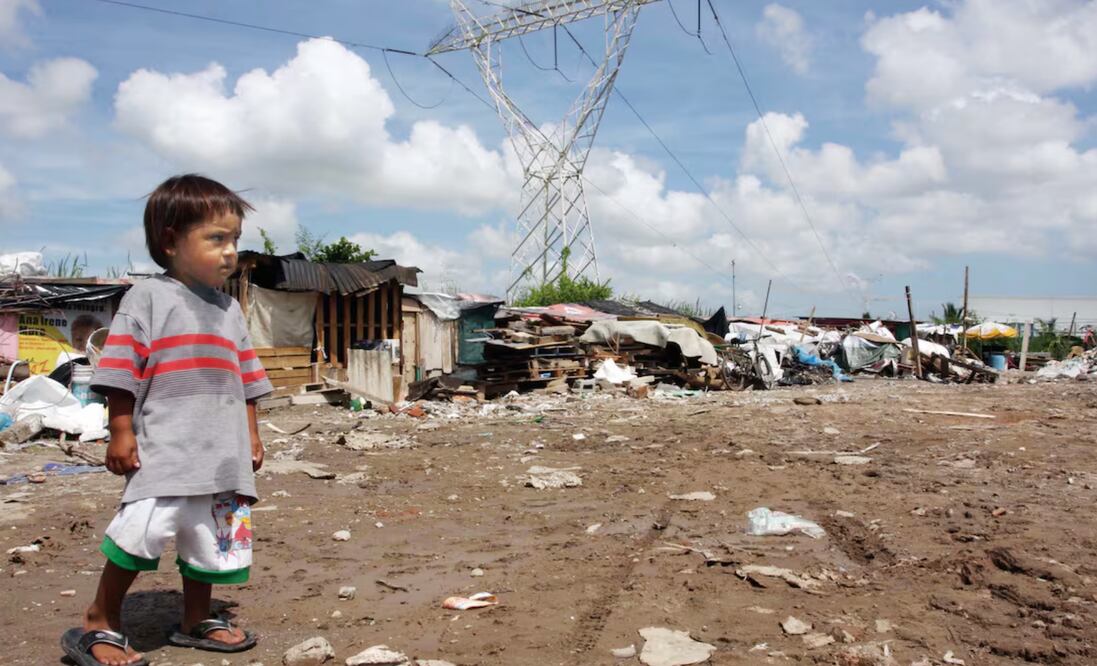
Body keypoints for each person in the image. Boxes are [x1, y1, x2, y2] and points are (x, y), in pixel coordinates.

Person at [61, 175, 273, 666]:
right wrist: (121, 431)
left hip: (222, 453)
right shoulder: (148, 298)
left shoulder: (230, 310)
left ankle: (195, 618)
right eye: (216, 238)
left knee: (210, 540)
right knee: (139, 532)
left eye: (235, 239)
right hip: (166, 447)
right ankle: (100, 619)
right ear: (171, 241)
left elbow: (246, 380)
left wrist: (251, 435)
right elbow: (120, 372)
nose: (230, 251)